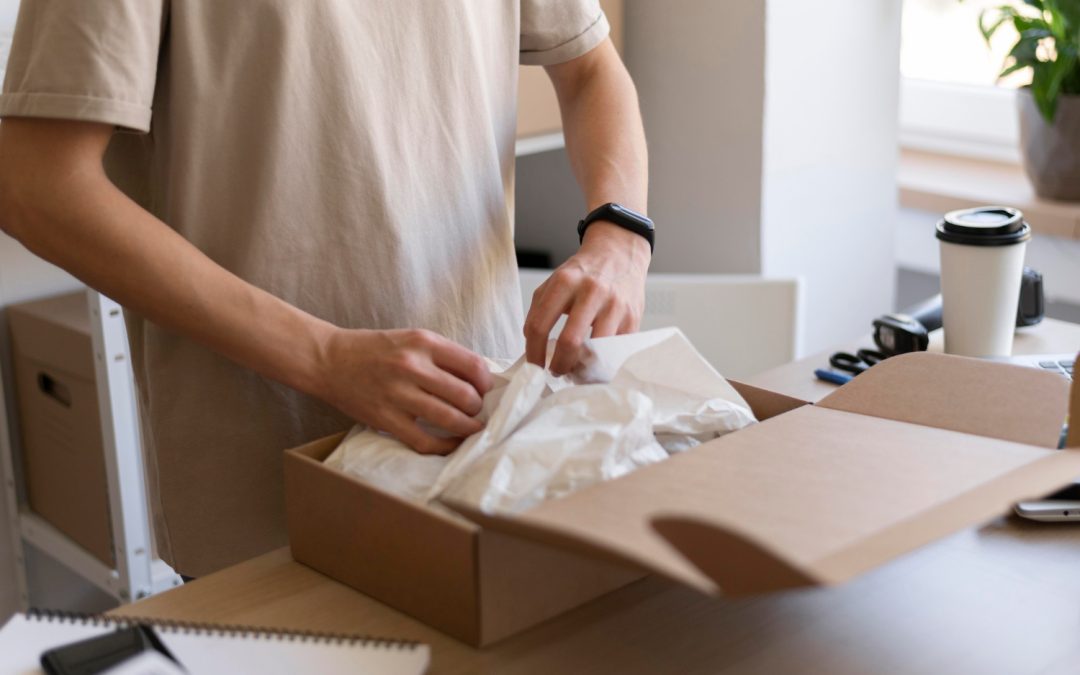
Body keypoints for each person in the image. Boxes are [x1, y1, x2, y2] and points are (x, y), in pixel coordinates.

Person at [0, 1, 650, 577]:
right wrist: (324, 357)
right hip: (266, 483)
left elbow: (591, 69)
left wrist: (620, 234)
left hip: (487, 432)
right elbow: (35, 184)